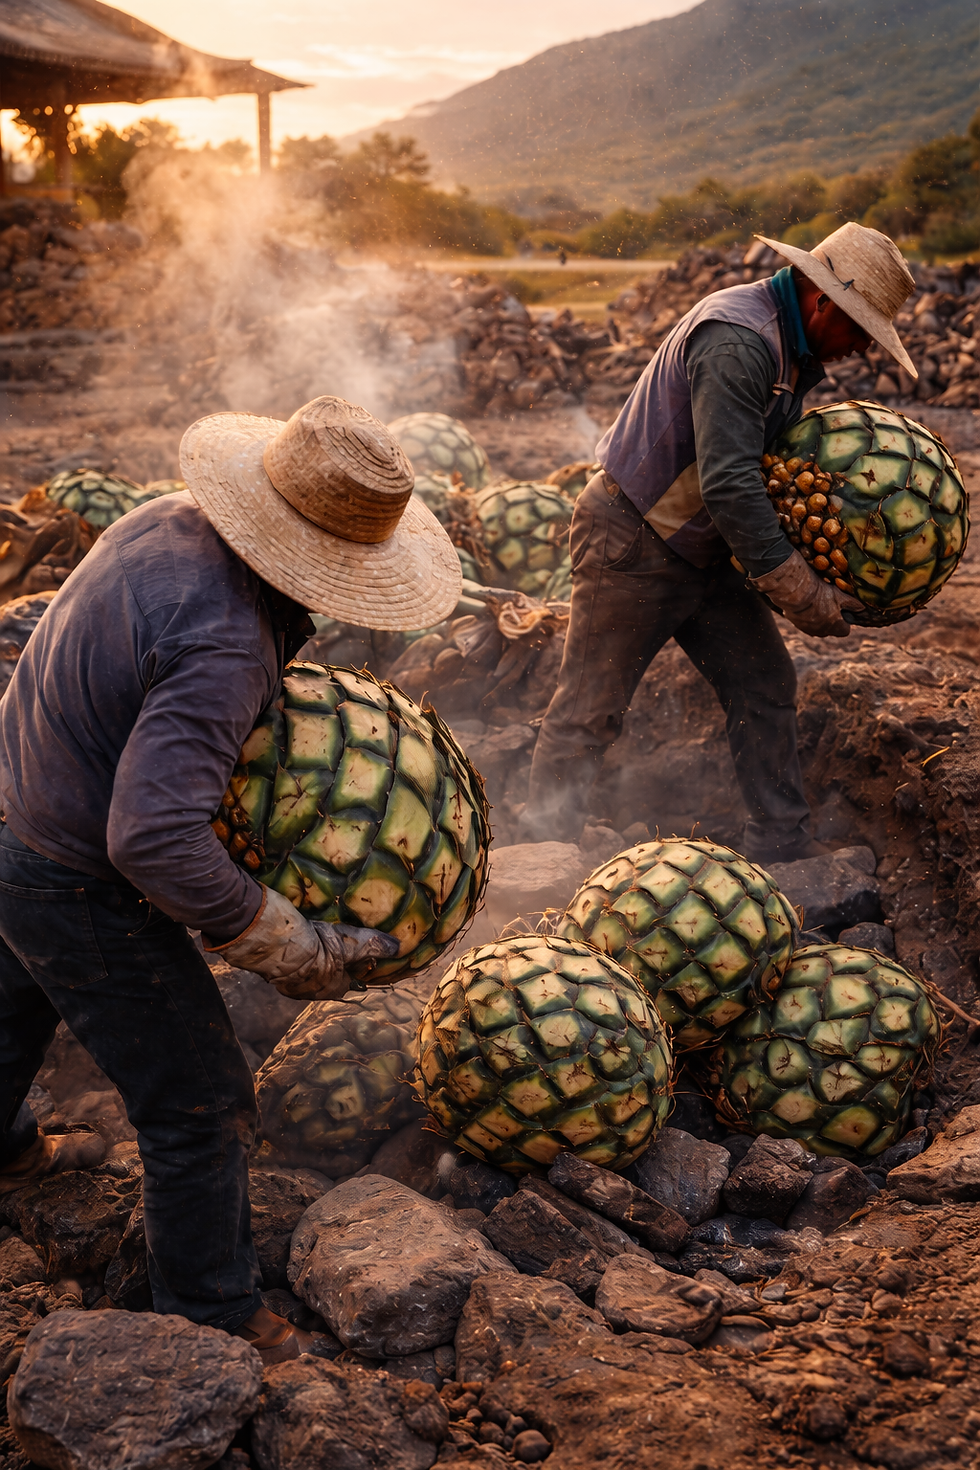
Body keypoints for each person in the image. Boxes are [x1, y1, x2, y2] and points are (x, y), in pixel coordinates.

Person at [0, 396, 461, 1361]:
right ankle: (208, 1311)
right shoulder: (223, 639)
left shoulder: (165, 518)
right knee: (200, 1096)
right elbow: (154, 840)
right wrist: (291, 941)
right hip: (71, 866)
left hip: (15, 794)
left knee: (16, 997)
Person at [522, 222, 918, 862]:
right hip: (633, 540)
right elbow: (731, 481)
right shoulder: (741, 340)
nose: (862, 351)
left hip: (704, 548)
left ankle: (783, 843)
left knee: (763, 683)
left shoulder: (788, 341)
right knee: (589, 710)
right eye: (860, 333)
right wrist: (795, 585)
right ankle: (542, 856)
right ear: (823, 301)